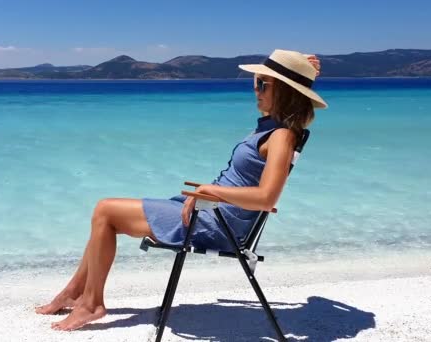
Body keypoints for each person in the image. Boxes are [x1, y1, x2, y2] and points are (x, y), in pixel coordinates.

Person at [35, 49, 328, 331]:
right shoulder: (273, 127)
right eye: (257, 82)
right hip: (211, 212)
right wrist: (304, 70)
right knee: (105, 213)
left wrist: (212, 192)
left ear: (285, 92)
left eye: (263, 83)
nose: (256, 89)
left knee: (105, 211)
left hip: (217, 224)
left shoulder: (281, 136)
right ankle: (76, 292)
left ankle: (91, 303)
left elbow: (267, 198)